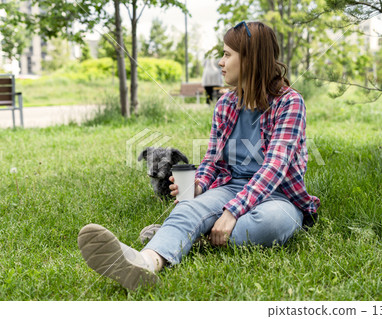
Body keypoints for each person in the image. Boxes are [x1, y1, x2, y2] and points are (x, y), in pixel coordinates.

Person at [77, 21, 320, 291]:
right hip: (231, 187)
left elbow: (274, 168)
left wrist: (232, 212)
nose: (220, 61)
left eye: (228, 54)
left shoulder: (289, 102)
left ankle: (191, 236)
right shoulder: (225, 104)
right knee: (188, 206)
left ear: (251, 59)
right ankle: (145, 263)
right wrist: (198, 185)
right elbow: (212, 160)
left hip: (277, 195)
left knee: (273, 224)